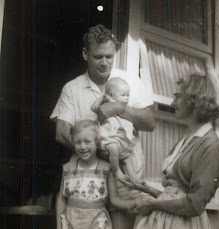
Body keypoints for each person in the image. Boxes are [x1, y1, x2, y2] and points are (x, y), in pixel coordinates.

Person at [51, 24, 155, 229]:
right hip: (89, 181)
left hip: (124, 180)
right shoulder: (72, 88)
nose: (105, 62)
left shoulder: (130, 80)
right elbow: (62, 134)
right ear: (85, 54)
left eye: (109, 56)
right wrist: (101, 154)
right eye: (98, 57)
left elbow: (150, 122)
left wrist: (119, 109)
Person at [120, 75, 219, 229]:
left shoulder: (211, 147)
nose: (173, 103)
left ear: (195, 100)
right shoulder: (187, 140)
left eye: (178, 97)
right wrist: (145, 188)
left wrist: (152, 205)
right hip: (167, 221)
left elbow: (194, 205)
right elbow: (174, 196)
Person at [56, 120, 141, 229]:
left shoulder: (106, 168)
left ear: (97, 142)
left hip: (96, 222)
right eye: (78, 142)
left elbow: (115, 200)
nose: (82, 146)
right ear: (73, 142)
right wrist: (59, 224)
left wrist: (135, 203)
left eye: (87, 141)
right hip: (71, 221)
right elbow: (61, 199)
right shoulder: (68, 168)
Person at [91, 77, 141, 183]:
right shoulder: (107, 103)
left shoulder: (126, 107)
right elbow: (94, 108)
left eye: (128, 95)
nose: (126, 98)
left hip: (122, 141)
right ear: (110, 95)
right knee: (114, 149)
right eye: (123, 95)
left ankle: (135, 178)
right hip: (109, 139)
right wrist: (103, 98)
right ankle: (117, 171)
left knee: (127, 159)